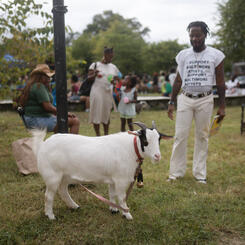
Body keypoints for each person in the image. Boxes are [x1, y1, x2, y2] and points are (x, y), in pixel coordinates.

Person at [167, 21, 226, 184]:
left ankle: (200, 174)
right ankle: (175, 173)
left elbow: (221, 82)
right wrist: (171, 102)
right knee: (180, 136)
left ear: (205, 35)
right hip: (185, 99)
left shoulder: (216, 55)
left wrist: (222, 106)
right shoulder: (183, 55)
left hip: (205, 99)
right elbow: (178, 80)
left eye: (198, 35)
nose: (194, 38)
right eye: (191, 35)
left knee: (202, 136)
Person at [20, 64, 80, 134]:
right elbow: (47, 107)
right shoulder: (39, 86)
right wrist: (64, 114)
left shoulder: (33, 85)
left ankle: (60, 143)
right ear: (41, 77)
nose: (49, 79)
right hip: (37, 120)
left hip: (32, 119)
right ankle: (71, 144)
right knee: (75, 121)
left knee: (61, 125)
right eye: (48, 76)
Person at [89, 47, 121, 136]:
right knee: (97, 112)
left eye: (112, 57)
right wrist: (95, 74)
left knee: (106, 113)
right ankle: (98, 135)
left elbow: (117, 80)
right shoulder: (95, 65)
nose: (111, 58)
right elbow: (88, 78)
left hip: (107, 92)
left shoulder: (113, 67)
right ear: (105, 55)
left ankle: (106, 135)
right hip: (97, 90)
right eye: (110, 56)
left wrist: (114, 82)